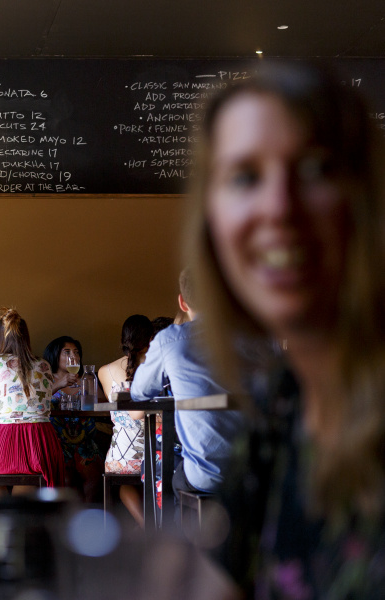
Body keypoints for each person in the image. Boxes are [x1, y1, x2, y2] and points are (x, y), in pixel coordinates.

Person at [185, 61, 385, 596]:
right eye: (245, 177)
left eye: (316, 169)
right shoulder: (282, 406)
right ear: (210, 223)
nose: (279, 207)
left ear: (367, 200)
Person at [130, 270, 245, 505]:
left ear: (182, 302)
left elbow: (139, 393)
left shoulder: (171, 340)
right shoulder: (252, 336)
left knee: (174, 476)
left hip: (207, 475)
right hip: (254, 473)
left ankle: (181, 528)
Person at [0, 308, 66, 516]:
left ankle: (1, 525)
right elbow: (44, 400)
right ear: (25, 337)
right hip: (38, 440)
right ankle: (21, 525)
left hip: (0, 440)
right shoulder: (43, 365)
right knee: (27, 475)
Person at [98, 315, 153, 527]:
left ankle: (144, 524)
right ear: (151, 340)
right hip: (153, 452)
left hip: (118, 456)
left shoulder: (104, 372)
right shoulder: (155, 368)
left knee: (125, 483)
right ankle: (152, 526)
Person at [44, 336, 112, 503]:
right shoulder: (45, 379)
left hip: (85, 442)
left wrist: (87, 395)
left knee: (95, 479)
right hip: (57, 442)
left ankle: (86, 515)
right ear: (54, 355)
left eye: (76, 352)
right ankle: (66, 516)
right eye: (67, 352)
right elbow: (35, 402)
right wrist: (59, 384)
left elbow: (103, 403)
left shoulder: (87, 378)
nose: (73, 357)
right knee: (65, 480)